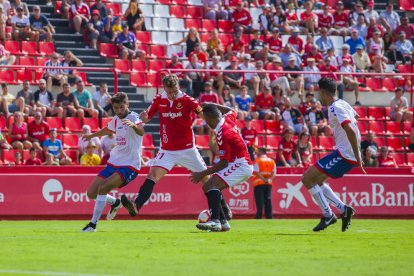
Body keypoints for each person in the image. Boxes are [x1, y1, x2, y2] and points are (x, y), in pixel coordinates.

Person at [120, 75, 232, 230]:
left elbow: (202, 114)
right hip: (167, 150)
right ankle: (136, 205)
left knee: (207, 182)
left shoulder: (188, 100)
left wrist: (214, 121)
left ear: (178, 88)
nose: (173, 94)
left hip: (188, 150)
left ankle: (223, 213)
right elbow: (147, 117)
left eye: (175, 91)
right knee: (152, 175)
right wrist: (143, 119)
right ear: (164, 89)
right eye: (170, 92)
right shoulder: (159, 99)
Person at [301, 77, 365, 232]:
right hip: (344, 153)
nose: (318, 96)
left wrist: (357, 156)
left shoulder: (335, 107)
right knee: (317, 182)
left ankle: (328, 215)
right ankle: (344, 210)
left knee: (307, 179)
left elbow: (349, 129)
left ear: (323, 92)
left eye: (319, 92)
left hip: (344, 155)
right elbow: (356, 118)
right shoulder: (343, 103)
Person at [81, 92, 144, 232]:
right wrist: (92, 135)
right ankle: (115, 202)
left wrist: (133, 126)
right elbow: (107, 129)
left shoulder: (134, 117)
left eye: (122, 107)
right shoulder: (116, 119)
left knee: (103, 188)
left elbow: (141, 131)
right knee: (91, 193)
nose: (119, 110)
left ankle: (92, 225)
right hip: (115, 161)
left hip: (130, 165)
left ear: (127, 105)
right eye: (116, 108)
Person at [191, 103, 253, 231]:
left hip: (241, 164)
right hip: (238, 162)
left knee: (211, 186)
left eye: (206, 120)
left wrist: (202, 173)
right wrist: (210, 105)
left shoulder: (223, 133)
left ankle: (215, 221)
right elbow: (232, 110)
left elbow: (223, 163)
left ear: (210, 119)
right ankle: (223, 222)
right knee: (208, 186)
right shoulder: (227, 119)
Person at [252, 147, 275, 219]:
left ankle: (259, 216)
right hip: (268, 184)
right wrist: (269, 180)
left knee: (259, 200)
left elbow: (257, 172)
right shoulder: (271, 161)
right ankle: (269, 216)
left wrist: (263, 179)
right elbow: (274, 172)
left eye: (258, 151)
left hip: (259, 183)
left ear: (261, 152)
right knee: (268, 200)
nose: (256, 152)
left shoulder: (257, 161)